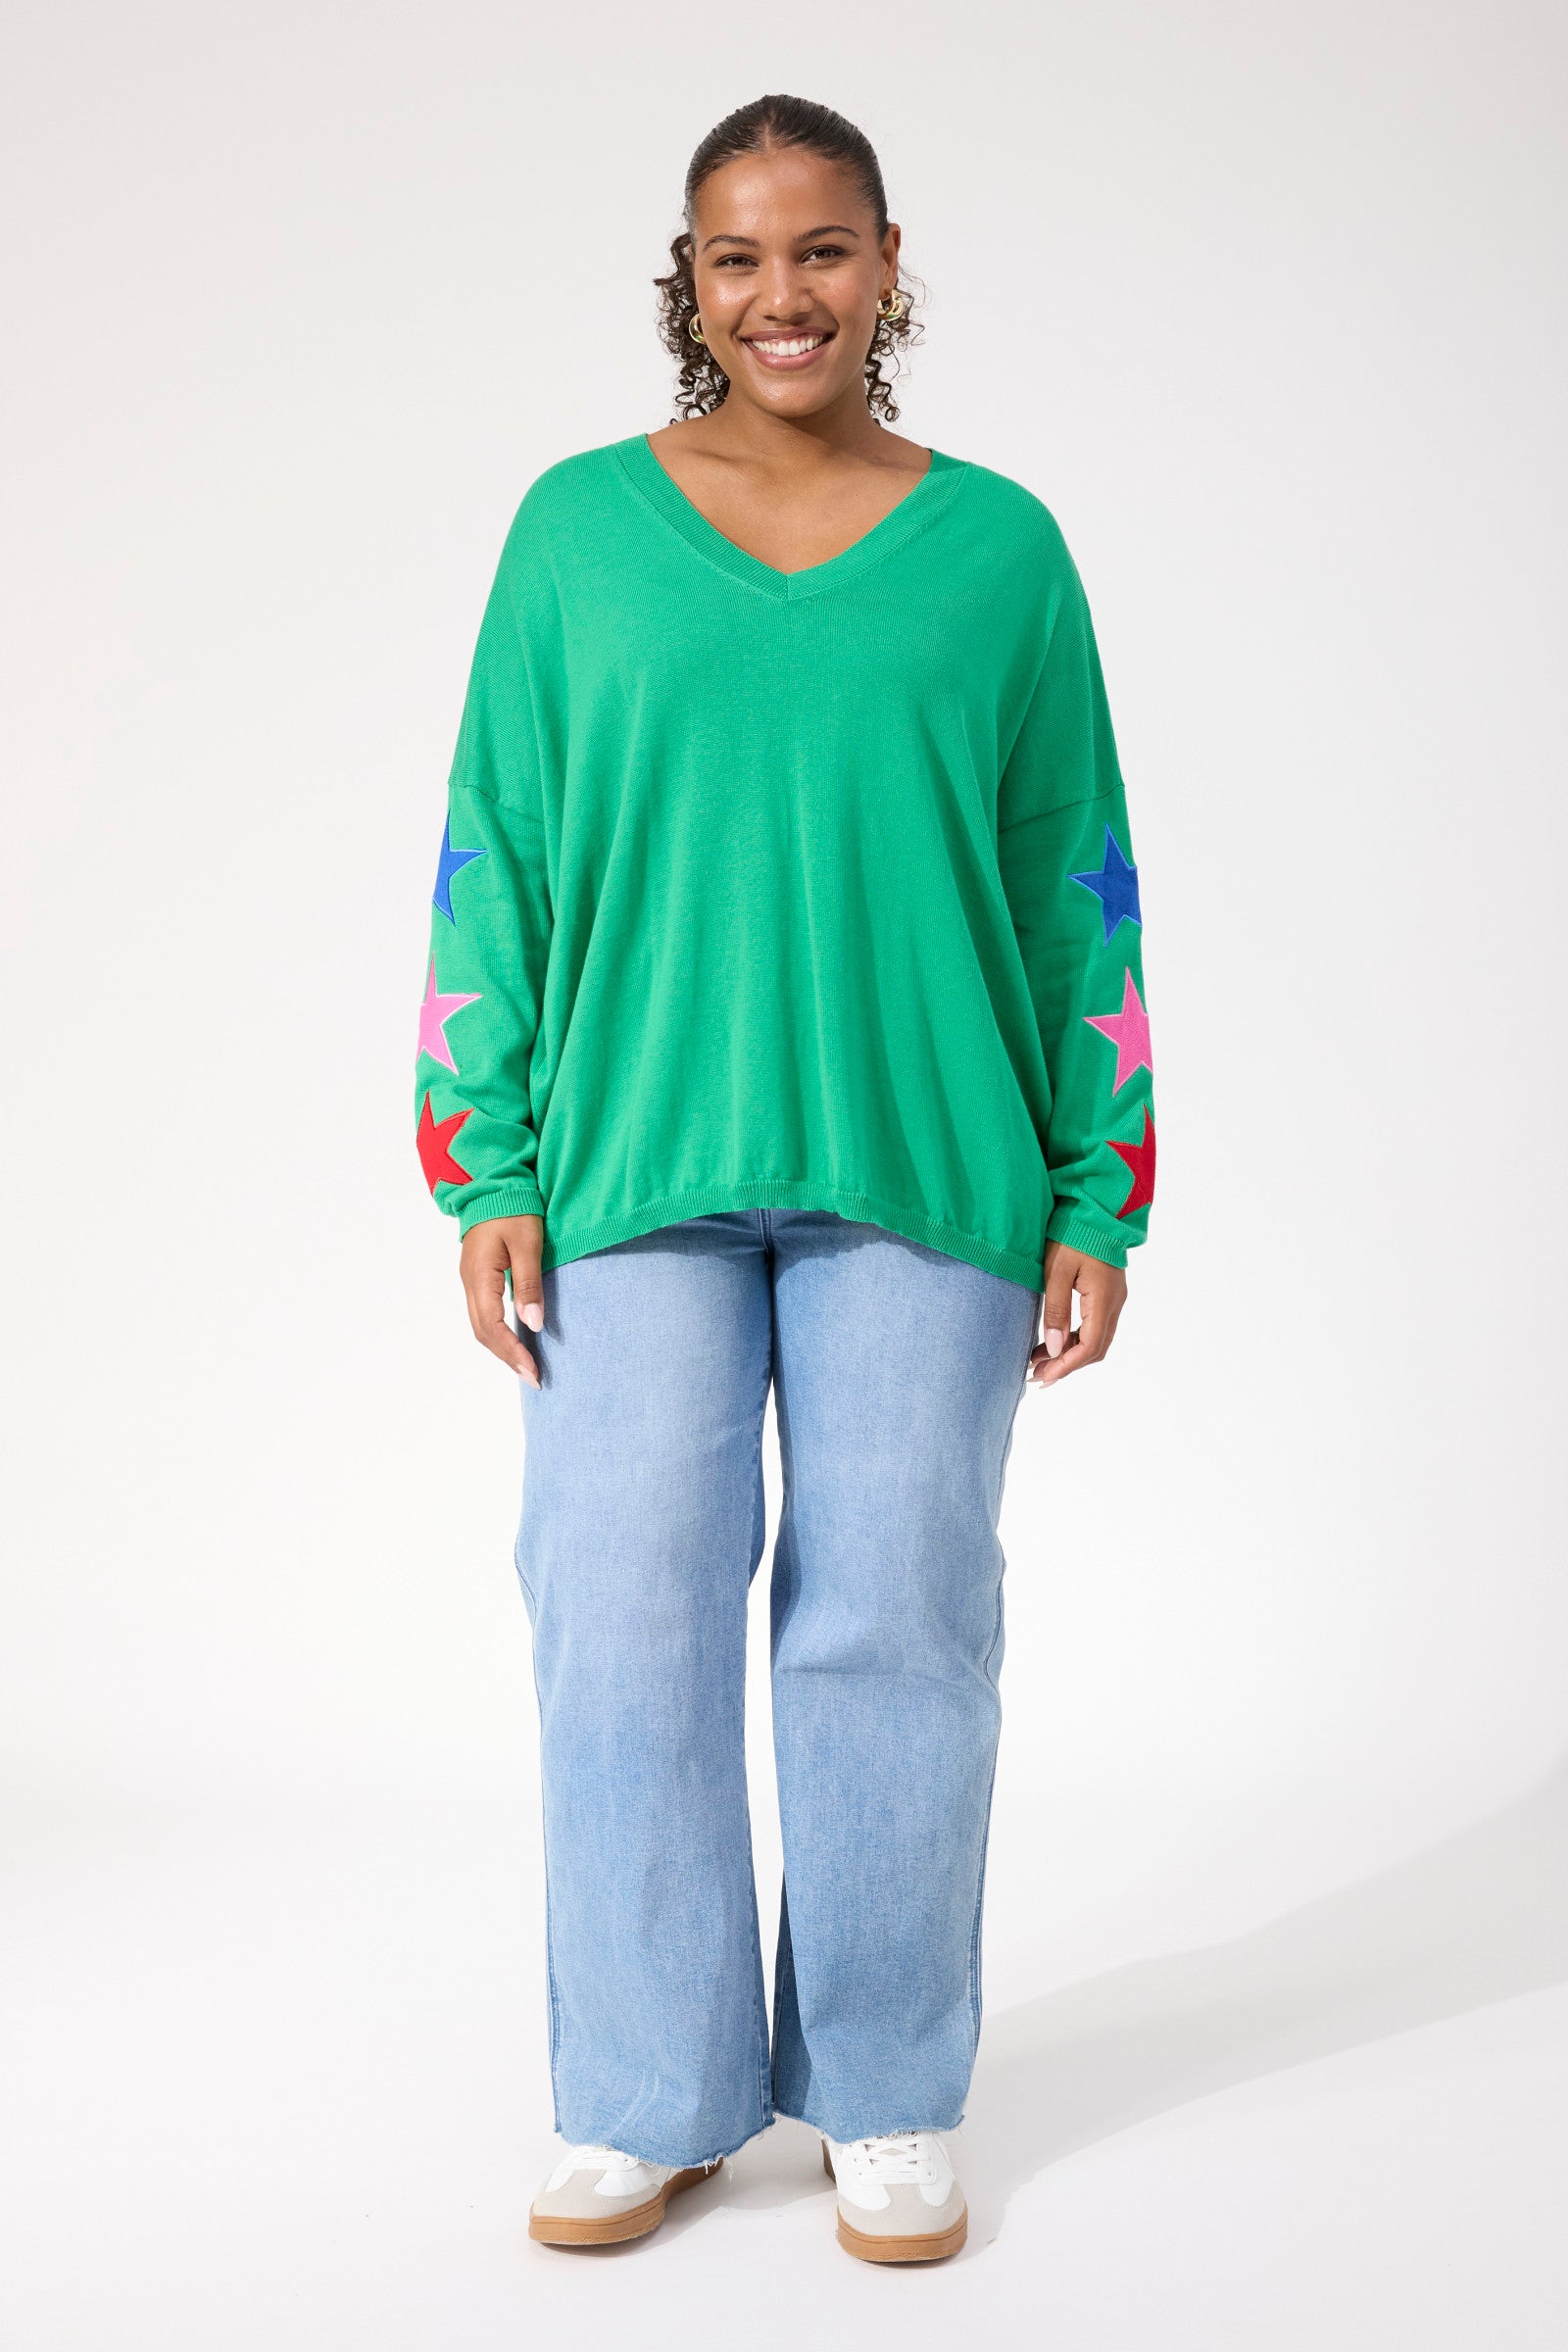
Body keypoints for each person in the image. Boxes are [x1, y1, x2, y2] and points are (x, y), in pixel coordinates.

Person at [414, 92, 1153, 2266]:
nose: (781, 295)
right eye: (737, 257)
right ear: (690, 279)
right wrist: (482, 1156)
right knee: (621, 1610)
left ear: (887, 265)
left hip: (930, 1164)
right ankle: (646, 2092)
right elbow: (496, 851)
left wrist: (1096, 1189)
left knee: (897, 1620)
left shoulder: (1000, 550)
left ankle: (885, 2085)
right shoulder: (575, 531)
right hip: (628, 1164)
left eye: (821, 249)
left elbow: (1077, 878)